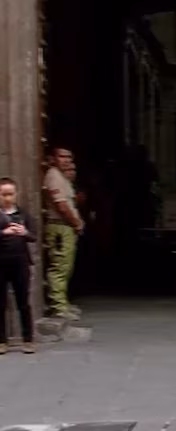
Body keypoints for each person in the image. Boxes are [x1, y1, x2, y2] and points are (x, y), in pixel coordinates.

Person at [42, 146, 84, 321]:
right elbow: (62, 206)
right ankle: (58, 306)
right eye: (62, 156)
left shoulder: (62, 177)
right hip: (60, 225)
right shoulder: (53, 176)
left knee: (66, 266)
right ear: (53, 158)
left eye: (69, 157)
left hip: (65, 226)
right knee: (59, 266)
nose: (66, 160)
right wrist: (76, 223)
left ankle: (62, 303)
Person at [0, 178, 37, 355]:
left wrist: (24, 232)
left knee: (23, 302)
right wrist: (3, 232)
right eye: (3, 194)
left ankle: (28, 339)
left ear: (16, 194)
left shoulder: (23, 215)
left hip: (20, 262)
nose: (7, 198)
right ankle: (2, 341)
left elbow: (34, 236)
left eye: (10, 194)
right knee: (0, 303)